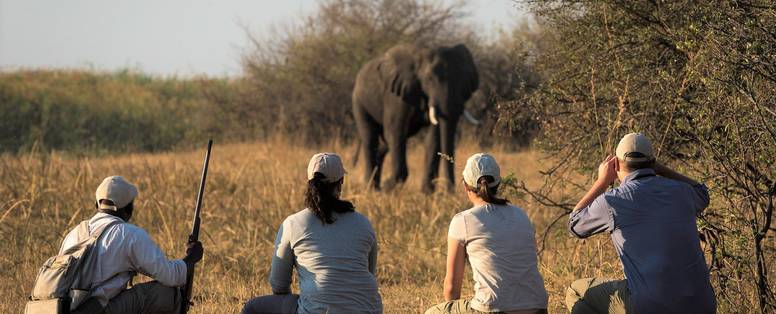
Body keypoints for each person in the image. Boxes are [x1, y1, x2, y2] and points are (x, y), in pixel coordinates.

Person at [566, 132, 716, 314]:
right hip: (703, 306)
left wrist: (602, 181)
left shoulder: (612, 201)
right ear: (653, 162)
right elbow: (702, 193)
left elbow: (574, 225)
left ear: (616, 164)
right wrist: (659, 169)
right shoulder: (683, 192)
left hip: (651, 306)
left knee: (576, 291)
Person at [242, 153, 383, 314]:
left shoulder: (293, 223)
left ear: (309, 182)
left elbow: (279, 285)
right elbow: (368, 273)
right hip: (369, 310)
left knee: (252, 307)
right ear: (341, 182)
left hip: (317, 310)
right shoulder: (364, 223)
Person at [425, 153, 548, 314]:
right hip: (538, 308)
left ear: (465, 186)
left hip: (493, 309)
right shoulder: (521, 214)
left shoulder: (463, 220)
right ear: (499, 183)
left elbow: (451, 288)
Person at [67, 176, 204, 314]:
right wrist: (191, 258)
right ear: (128, 209)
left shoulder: (74, 233)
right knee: (167, 293)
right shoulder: (129, 234)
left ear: (96, 205)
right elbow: (170, 276)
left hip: (65, 308)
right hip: (95, 310)